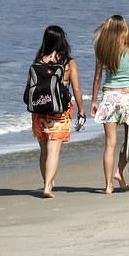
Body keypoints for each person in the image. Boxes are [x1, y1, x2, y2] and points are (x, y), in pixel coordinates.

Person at [90, 15, 129, 194]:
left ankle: (108, 185)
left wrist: (93, 101)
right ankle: (118, 171)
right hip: (127, 98)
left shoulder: (103, 51)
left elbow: (97, 77)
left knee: (110, 144)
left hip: (108, 98)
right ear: (124, 30)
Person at [30, 25, 84, 198]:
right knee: (54, 151)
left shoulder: (39, 60)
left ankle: (48, 182)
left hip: (39, 111)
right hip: (59, 113)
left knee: (44, 150)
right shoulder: (68, 63)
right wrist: (81, 110)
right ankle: (47, 186)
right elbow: (76, 89)